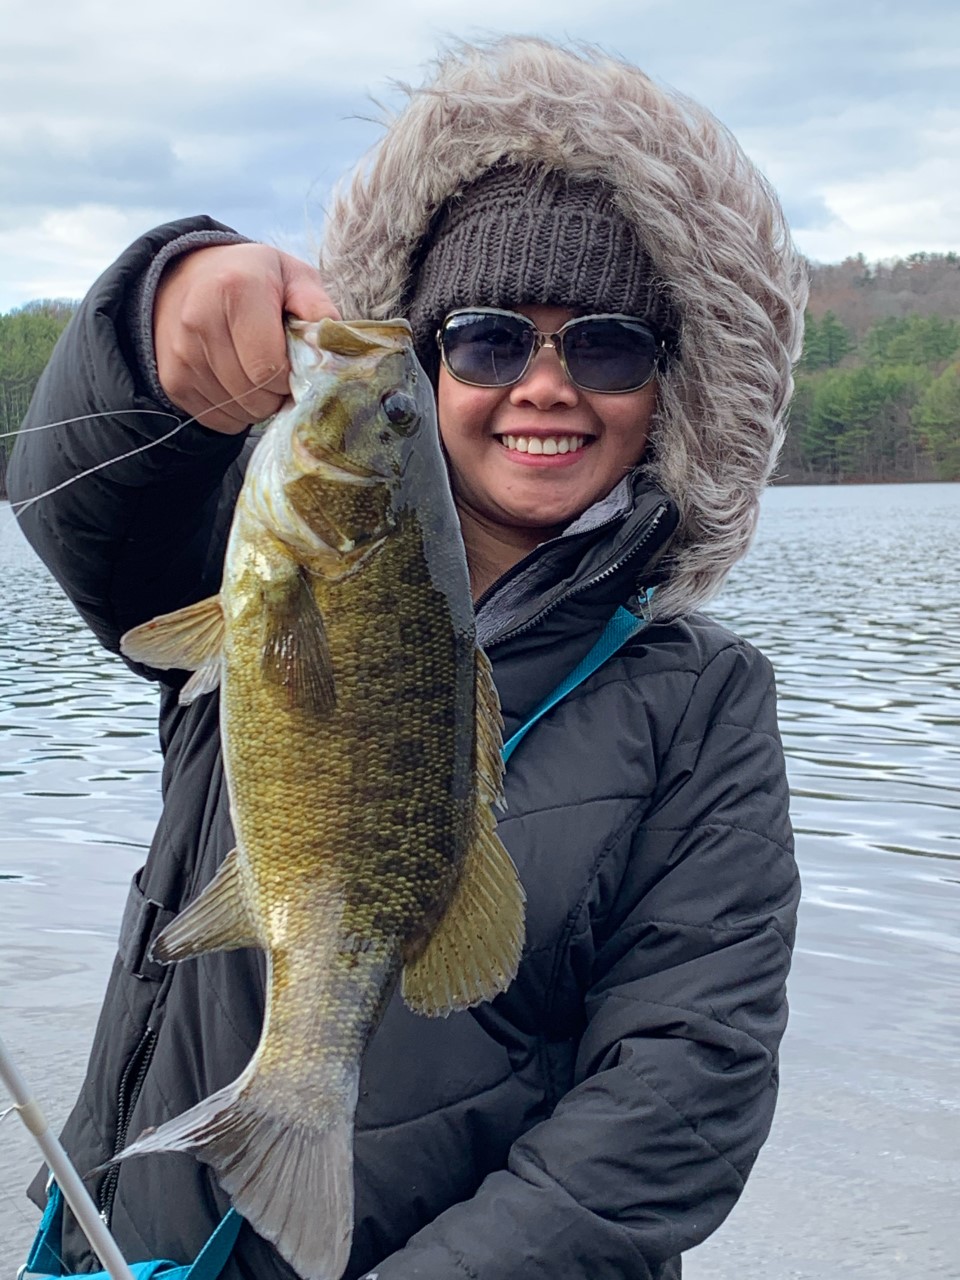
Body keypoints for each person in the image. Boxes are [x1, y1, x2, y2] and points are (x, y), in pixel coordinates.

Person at [11, 36, 804, 1280]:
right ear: (428, 364)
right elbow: (76, 499)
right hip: (127, 1248)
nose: (545, 386)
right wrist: (158, 304)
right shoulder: (236, 565)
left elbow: (685, 1086)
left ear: (671, 388)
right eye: (489, 340)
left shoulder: (701, 703)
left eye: (607, 346)